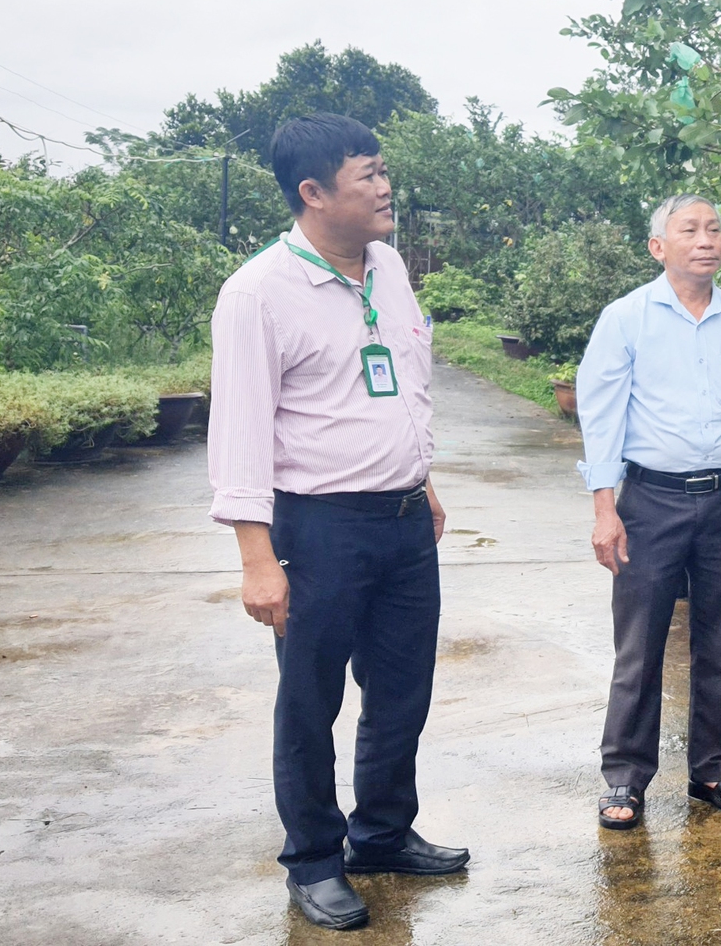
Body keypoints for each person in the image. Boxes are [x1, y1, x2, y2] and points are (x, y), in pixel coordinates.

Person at [209, 113, 466, 933]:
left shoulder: (387, 266)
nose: (386, 187)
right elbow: (242, 431)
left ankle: (382, 834)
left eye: (384, 170)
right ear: (313, 193)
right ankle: (315, 860)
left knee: (401, 692)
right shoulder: (257, 294)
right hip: (318, 529)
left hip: (401, 522)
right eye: (368, 175)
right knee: (309, 699)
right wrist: (259, 558)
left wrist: (419, 478)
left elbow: (404, 382)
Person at [576, 194, 721, 830]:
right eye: (689, 229)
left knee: (720, 640)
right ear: (657, 246)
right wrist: (604, 508)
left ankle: (716, 770)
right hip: (649, 501)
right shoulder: (626, 319)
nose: (706, 240)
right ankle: (625, 777)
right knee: (638, 644)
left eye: (715, 228)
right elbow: (601, 414)